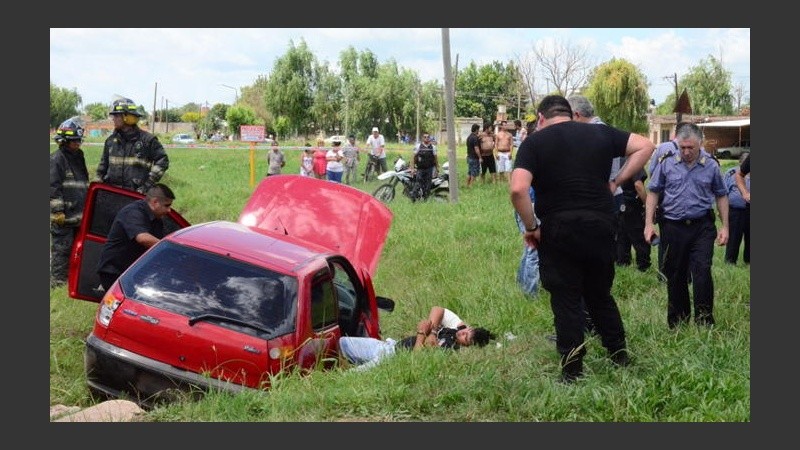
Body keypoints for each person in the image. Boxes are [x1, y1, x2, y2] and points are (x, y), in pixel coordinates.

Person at [510, 94, 655, 382]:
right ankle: (619, 354)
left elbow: (517, 190)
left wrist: (531, 226)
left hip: (558, 229)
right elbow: (645, 145)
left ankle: (572, 371)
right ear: (571, 113)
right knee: (600, 295)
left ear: (541, 118)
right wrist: (616, 182)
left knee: (566, 299)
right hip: (600, 226)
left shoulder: (535, 142)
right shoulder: (600, 133)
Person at [644, 122, 729, 329]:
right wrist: (648, 224)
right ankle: (678, 321)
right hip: (673, 227)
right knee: (676, 274)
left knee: (702, 271)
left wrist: (725, 226)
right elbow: (653, 191)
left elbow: (721, 194)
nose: (686, 152)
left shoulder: (711, 165)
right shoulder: (667, 163)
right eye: (682, 147)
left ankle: (704, 321)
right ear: (677, 144)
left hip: (702, 227)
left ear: (700, 144)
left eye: (691, 147)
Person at [338, 306, 496, 370]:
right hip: (389, 346)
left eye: (466, 338)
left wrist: (421, 334)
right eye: (467, 331)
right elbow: (438, 309)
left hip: (390, 361)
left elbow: (416, 360)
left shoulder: (450, 350)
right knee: (340, 343)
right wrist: (432, 331)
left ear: (466, 346)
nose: (462, 334)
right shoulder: (456, 328)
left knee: (347, 379)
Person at [96, 183, 176, 291]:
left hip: (131, 272)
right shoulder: (134, 212)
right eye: (166, 205)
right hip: (114, 272)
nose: (169, 210)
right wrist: (170, 249)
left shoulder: (156, 220)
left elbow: (153, 245)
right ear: (155, 202)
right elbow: (143, 238)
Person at [96, 97, 169, 194]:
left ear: (126, 117)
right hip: (112, 196)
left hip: (135, 197)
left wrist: (147, 185)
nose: (113, 119)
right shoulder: (110, 142)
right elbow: (102, 168)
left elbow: (162, 161)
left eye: (116, 116)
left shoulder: (147, 140)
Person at [50, 118, 90, 288]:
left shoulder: (79, 156)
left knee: (77, 250)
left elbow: (83, 183)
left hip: (79, 215)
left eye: (79, 140)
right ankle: (58, 283)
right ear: (64, 141)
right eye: (74, 141)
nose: (77, 144)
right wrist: (58, 211)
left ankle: (72, 281)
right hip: (64, 217)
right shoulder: (56, 159)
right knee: (62, 250)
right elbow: (52, 187)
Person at [616, 167, 651, 271]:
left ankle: (622, 264)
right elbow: (638, 185)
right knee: (639, 236)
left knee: (622, 236)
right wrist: (647, 204)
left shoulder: (618, 159)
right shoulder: (635, 162)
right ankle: (643, 266)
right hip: (632, 205)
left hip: (619, 203)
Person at [724, 153, 750, 265]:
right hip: (736, 211)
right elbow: (723, 193)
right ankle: (730, 261)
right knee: (734, 238)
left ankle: (748, 261)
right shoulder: (731, 173)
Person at [410, 132, 439, 199]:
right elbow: (413, 157)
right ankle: (413, 197)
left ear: (429, 138)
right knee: (418, 183)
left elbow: (436, 158)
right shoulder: (418, 146)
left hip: (429, 169)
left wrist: (437, 167)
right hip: (420, 168)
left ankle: (425, 199)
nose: (426, 138)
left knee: (428, 185)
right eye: (425, 137)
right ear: (422, 138)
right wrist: (412, 168)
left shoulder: (433, 147)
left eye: (428, 137)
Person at [465, 123, 482, 187]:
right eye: (478, 130)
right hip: (474, 158)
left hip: (469, 157)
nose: (479, 131)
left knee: (469, 172)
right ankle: (471, 185)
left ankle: (467, 185)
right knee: (474, 173)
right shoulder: (475, 138)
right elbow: (476, 148)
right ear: (476, 129)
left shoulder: (469, 137)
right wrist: (480, 157)